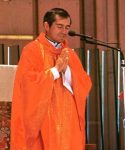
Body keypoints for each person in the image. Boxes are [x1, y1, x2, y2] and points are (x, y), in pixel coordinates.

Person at [10, 8, 92, 149]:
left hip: (67, 119)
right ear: (46, 26)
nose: (64, 31)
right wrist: (55, 71)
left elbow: (84, 84)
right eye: (59, 27)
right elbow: (27, 84)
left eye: (67, 27)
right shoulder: (32, 50)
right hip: (43, 118)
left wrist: (67, 71)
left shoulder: (69, 54)